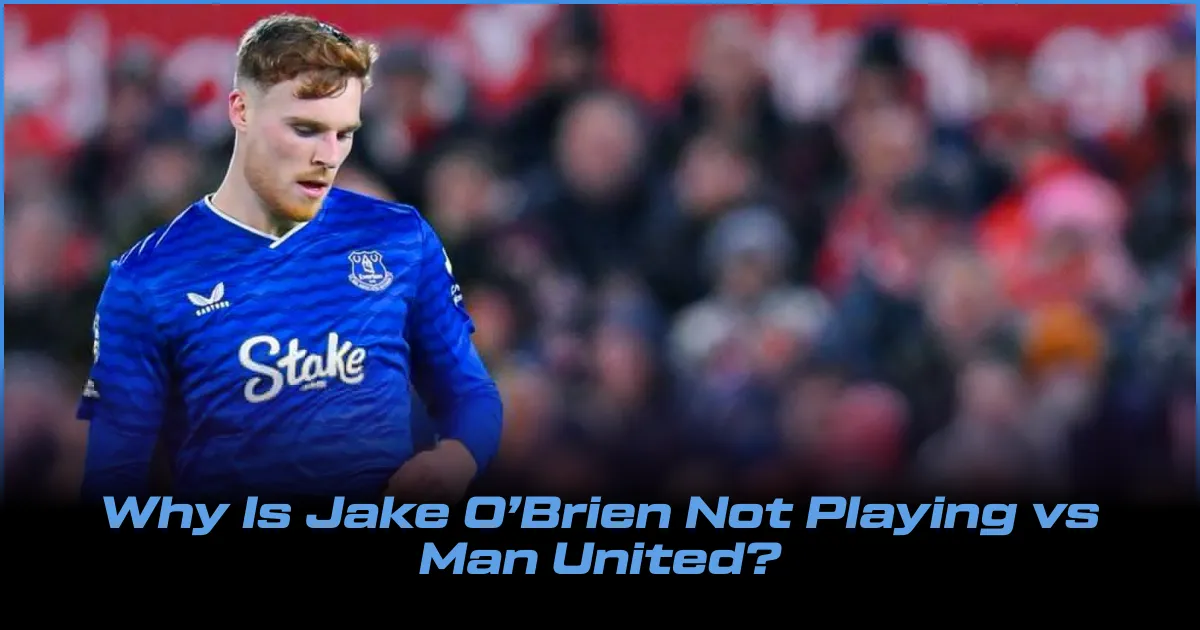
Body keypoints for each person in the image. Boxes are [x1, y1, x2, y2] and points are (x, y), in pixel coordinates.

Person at [76, 14, 503, 502]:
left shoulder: (400, 238)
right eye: (303, 128)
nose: (327, 156)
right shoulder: (147, 277)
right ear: (242, 111)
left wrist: (456, 458)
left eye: (342, 133)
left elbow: (470, 392)